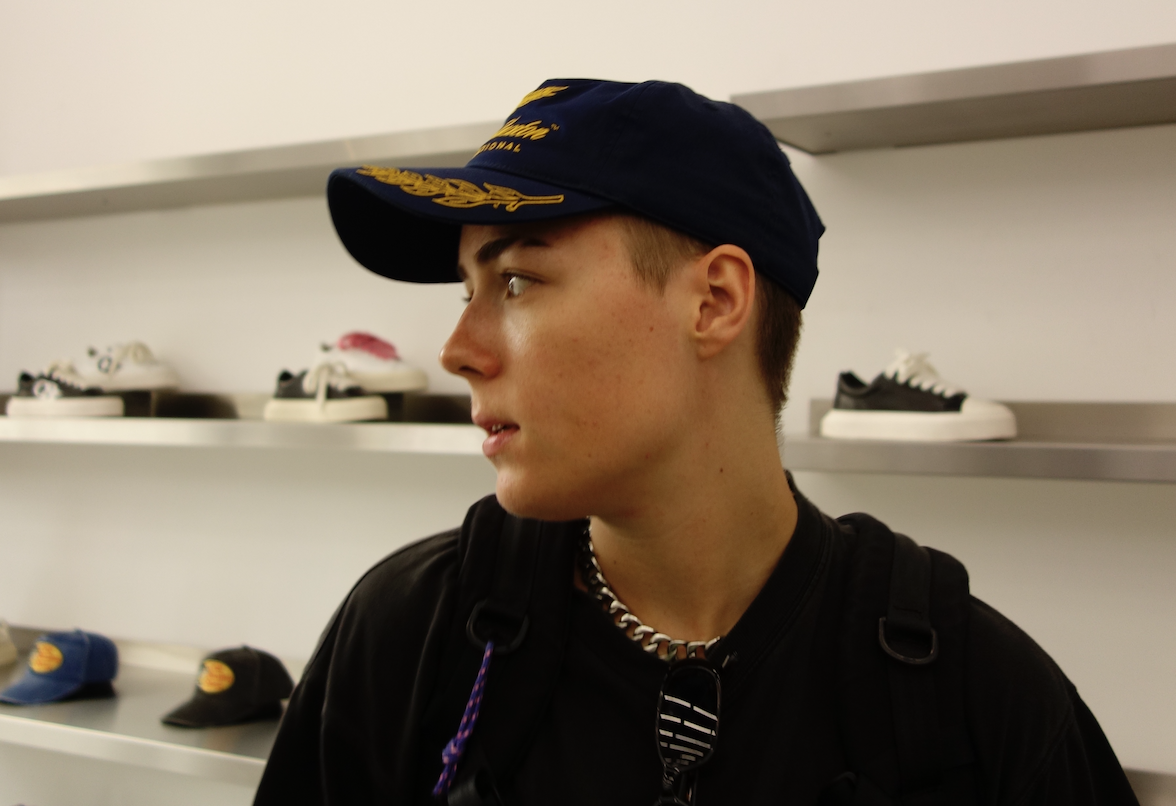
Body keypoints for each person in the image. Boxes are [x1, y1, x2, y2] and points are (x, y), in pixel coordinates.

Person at [254, 79, 1138, 805]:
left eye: (517, 280)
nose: (457, 350)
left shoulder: (970, 700)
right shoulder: (412, 634)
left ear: (715, 301)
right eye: (466, 290)